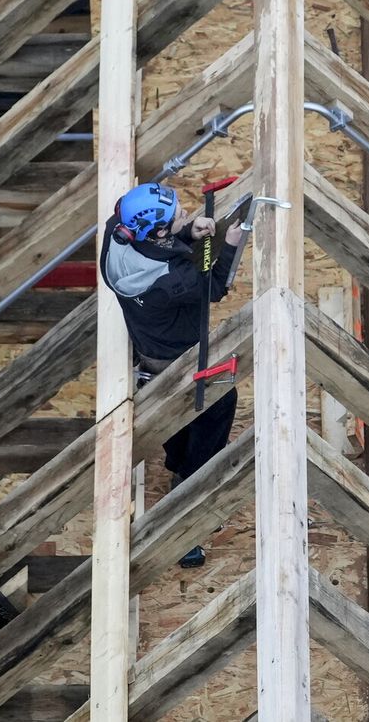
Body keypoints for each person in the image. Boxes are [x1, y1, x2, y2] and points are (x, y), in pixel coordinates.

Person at [99, 181, 244, 567]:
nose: (187, 215)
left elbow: (163, 240)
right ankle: (189, 481)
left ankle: (177, 459)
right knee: (218, 403)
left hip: (151, 349)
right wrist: (226, 244)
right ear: (159, 233)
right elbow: (213, 286)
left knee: (175, 419)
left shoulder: (118, 231)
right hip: (178, 356)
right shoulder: (170, 279)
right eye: (179, 216)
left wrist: (185, 231)